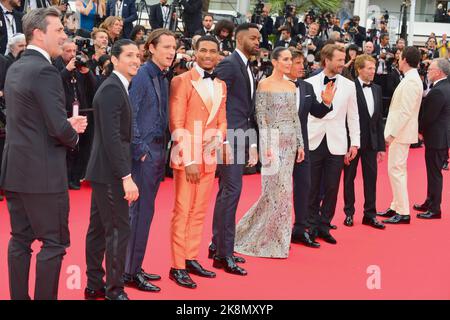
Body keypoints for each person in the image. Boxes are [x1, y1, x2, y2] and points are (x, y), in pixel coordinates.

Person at [0, 7, 87, 300]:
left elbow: (30, 119)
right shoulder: (45, 70)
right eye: (59, 30)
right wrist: (73, 132)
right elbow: (57, 129)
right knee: (53, 244)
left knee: (20, 240)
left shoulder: (16, 67)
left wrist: (63, 124)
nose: (64, 35)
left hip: (16, 170)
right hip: (44, 177)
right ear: (39, 33)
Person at [234, 47, 305, 258]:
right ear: (274, 61)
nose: (289, 63)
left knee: (283, 194)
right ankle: (245, 234)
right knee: (272, 193)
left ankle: (278, 241)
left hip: (290, 143)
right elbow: (261, 117)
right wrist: (265, 146)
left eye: (290, 60)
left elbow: (295, 117)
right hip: (272, 143)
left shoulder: (292, 86)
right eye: (285, 59)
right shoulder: (264, 84)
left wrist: (300, 144)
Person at [169, 35, 227, 289]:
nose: (208, 55)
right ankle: (177, 265)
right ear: (194, 52)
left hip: (209, 155)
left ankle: (191, 257)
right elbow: (176, 122)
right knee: (182, 210)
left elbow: (222, 120)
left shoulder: (221, 84)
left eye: (212, 51)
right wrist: (189, 157)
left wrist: (219, 137)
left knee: (200, 210)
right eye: (203, 50)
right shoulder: (181, 81)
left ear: (218, 55)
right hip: (188, 157)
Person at [84, 39, 140, 301]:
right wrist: (126, 176)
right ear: (114, 59)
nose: (135, 60)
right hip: (110, 173)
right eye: (129, 55)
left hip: (104, 171)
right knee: (118, 228)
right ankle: (114, 291)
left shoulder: (118, 88)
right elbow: (112, 138)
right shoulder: (112, 90)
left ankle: (95, 284)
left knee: (98, 229)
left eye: (138, 55)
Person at [123, 29, 176, 293]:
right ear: (151, 48)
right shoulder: (143, 75)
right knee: (140, 213)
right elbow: (130, 114)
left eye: (174, 47)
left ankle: (134, 265)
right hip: (145, 154)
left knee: (146, 213)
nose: (171, 51)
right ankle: (129, 272)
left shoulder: (162, 77)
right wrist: (140, 149)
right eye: (166, 46)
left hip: (157, 154)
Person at [209, 23, 260, 276]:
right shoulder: (229, 64)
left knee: (228, 194)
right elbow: (216, 100)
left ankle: (217, 244)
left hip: (241, 136)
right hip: (228, 139)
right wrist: (224, 139)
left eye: (259, 38)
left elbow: (246, 111)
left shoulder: (248, 66)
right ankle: (223, 254)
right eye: (253, 37)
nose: (257, 41)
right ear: (239, 39)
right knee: (231, 192)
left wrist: (251, 142)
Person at [305, 44, 360, 244]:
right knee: (311, 187)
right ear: (326, 60)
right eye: (339, 60)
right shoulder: (309, 83)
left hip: (337, 142)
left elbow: (353, 117)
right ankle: (309, 226)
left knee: (331, 187)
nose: (342, 63)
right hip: (313, 139)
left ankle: (324, 225)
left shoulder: (350, 85)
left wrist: (355, 143)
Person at [286, 49, 334, 248]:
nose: (301, 66)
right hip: (279, 146)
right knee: (278, 190)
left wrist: (326, 102)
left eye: (302, 62)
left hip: (302, 148)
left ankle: (299, 229)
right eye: (297, 63)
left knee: (304, 187)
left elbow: (317, 111)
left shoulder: (306, 87)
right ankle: (275, 229)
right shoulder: (274, 86)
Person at [378, 46, 423, 224]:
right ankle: (396, 206)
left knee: (397, 171)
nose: (397, 59)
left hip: (400, 134)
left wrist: (390, 135)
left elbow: (405, 112)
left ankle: (403, 211)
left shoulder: (411, 81)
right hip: (400, 133)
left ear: (404, 59)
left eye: (399, 56)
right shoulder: (410, 79)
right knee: (395, 170)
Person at [343, 54, 386, 230]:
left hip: (371, 143)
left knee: (371, 179)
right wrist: (346, 145)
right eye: (369, 68)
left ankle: (370, 214)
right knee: (349, 179)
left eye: (374, 68)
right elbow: (345, 118)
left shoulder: (377, 89)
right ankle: (349, 213)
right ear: (359, 69)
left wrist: (381, 147)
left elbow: (378, 119)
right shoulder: (349, 88)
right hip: (352, 143)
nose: (372, 71)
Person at [414, 58, 450, 219]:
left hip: (437, 137)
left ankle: (435, 208)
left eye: (431, 70)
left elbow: (429, 116)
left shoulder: (438, 90)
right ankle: (430, 202)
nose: (428, 72)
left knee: (434, 173)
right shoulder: (446, 87)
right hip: (441, 136)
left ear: (439, 72)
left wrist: (419, 129)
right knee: (433, 172)